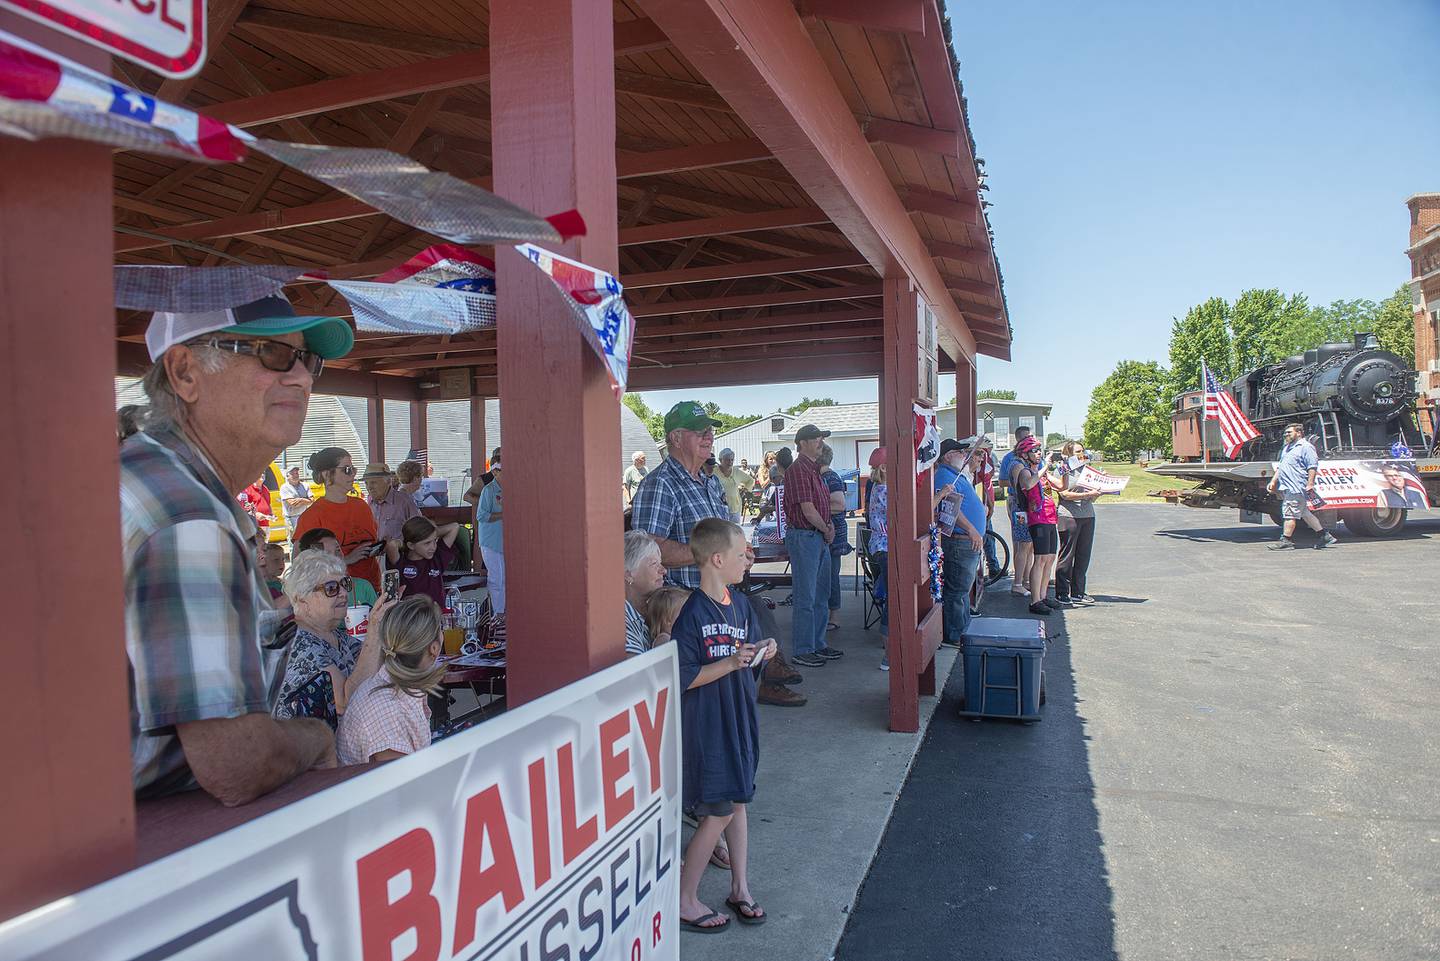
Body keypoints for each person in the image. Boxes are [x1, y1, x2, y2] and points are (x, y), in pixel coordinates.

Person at [123, 293, 353, 803]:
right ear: (185, 373)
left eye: (306, 359)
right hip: (121, 853)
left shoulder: (150, 470)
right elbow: (238, 765)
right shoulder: (189, 518)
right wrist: (318, 737)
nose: (301, 377)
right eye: (272, 354)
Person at [673, 518, 776, 931]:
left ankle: (740, 887)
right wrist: (729, 662)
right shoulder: (692, 614)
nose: (747, 558)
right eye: (741, 553)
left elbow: (748, 655)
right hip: (708, 725)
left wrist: (762, 653)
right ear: (717, 559)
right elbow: (682, 677)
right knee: (716, 813)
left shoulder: (741, 604)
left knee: (738, 801)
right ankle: (685, 898)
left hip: (740, 717)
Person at [275, 550, 385, 724]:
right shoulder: (299, 645)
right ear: (303, 599)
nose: (343, 593)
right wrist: (374, 631)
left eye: (344, 584)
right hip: (311, 748)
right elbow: (343, 702)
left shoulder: (334, 634)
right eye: (331, 588)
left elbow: (377, 664)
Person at [337, 596, 448, 765]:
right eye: (441, 628)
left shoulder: (391, 685)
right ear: (434, 648)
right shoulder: (389, 711)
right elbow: (401, 787)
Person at [784, 425, 840, 668]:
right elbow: (807, 510)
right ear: (802, 443)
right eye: (816, 438)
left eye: (821, 438)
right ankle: (803, 649)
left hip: (815, 536)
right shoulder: (798, 470)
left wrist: (827, 527)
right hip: (805, 536)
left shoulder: (814, 469)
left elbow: (818, 506)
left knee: (821, 594)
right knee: (806, 596)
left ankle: (817, 644)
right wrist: (827, 528)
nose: (820, 442)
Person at [293, 446, 385, 591]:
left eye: (353, 469)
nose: (353, 474)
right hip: (336, 593)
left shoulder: (362, 506)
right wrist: (346, 560)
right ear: (327, 474)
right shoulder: (312, 516)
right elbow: (300, 564)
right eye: (347, 469)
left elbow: (371, 541)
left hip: (372, 588)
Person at [934, 439, 986, 644]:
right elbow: (950, 508)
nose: (965, 455)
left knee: (962, 589)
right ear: (947, 455)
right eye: (959, 452)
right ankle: (955, 634)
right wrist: (972, 529)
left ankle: (961, 628)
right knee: (957, 589)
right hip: (960, 541)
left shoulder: (955, 475)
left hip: (966, 541)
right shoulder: (944, 476)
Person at [1011, 436, 1061, 613]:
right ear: (1025, 454)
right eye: (1034, 451)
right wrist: (1044, 468)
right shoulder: (1026, 471)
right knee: (1039, 559)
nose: (1038, 454)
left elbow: (1062, 486)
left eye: (1040, 450)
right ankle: (1035, 600)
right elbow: (1027, 484)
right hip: (1037, 518)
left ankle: (1043, 595)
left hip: (1050, 517)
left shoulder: (1041, 471)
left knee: (1049, 558)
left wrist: (1066, 470)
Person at [1267, 423, 1336, 550]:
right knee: (1305, 514)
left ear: (1299, 433)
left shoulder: (1306, 447)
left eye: (1289, 432)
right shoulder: (1287, 447)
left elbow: (1312, 467)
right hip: (1287, 487)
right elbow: (1281, 466)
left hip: (1296, 486)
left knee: (1289, 514)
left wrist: (1310, 484)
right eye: (1285, 433)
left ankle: (1286, 540)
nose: (1286, 434)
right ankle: (1325, 536)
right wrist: (1273, 481)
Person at [1054, 441, 1100, 606]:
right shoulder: (1062, 469)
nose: (1082, 454)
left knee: (1083, 555)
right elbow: (1064, 493)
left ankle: (1078, 591)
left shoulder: (1088, 470)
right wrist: (1085, 496)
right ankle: (1062, 591)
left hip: (1087, 515)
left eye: (1083, 451)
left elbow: (1093, 496)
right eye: (1078, 452)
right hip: (1068, 515)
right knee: (1067, 555)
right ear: (1069, 454)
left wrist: (1097, 492)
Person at [297, 527, 379, 607]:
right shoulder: (305, 595)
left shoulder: (363, 587)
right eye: (327, 554)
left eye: (338, 550)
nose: (336, 557)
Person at [817, 444, 852, 633]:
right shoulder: (827, 476)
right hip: (829, 532)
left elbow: (839, 504)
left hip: (833, 534)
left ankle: (834, 615)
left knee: (831, 576)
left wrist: (811, 511)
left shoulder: (829, 478)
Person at [391, 516, 461, 606]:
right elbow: (392, 545)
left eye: (435, 541)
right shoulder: (401, 562)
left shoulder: (437, 558)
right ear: (411, 545)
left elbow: (454, 527)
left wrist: (433, 532)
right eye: (427, 543)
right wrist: (402, 543)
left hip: (436, 616)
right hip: (412, 617)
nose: (433, 547)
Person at [998, 426, 1034, 597]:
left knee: (1030, 544)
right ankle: (1019, 581)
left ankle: (1027, 579)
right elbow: (1003, 481)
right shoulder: (1011, 460)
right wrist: (1019, 480)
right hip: (1018, 502)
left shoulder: (1033, 459)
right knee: (1021, 542)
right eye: (1028, 438)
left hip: (1032, 503)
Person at [866, 447, 891, 670]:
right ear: (884, 467)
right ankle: (889, 656)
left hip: (879, 547)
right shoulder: (885, 491)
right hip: (886, 547)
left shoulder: (876, 487)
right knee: (893, 603)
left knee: (888, 597)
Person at [624, 529, 667, 655]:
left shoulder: (654, 612)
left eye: (661, 563)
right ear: (628, 575)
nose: (664, 570)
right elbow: (637, 672)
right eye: (654, 564)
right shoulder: (620, 622)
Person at [363, 462, 420, 545]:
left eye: (373, 482)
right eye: (366, 483)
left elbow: (419, 531)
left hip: (399, 554)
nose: (369, 487)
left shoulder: (404, 501)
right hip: (374, 555)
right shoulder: (368, 502)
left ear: (388, 481)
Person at [476, 460, 505, 614]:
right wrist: (504, 514)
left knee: (505, 578)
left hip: (504, 541)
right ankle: (497, 613)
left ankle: (504, 611)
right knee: (496, 579)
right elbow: (481, 515)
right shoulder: (489, 490)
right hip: (491, 541)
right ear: (495, 472)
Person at [714, 448, 753, 524]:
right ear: (720, 460)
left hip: (735, 508)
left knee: (735, 532)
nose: (730, 462)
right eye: (727, 460)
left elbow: (750, 480)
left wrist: (745, 489)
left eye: (732, 460)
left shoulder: (736, 471)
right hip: (719, 508)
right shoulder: (714, 471)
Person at [279, 464, 313, 534]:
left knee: (305, 538)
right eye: (292, 474)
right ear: (287, 476)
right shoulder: (284, 487)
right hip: (291, 518)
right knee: (293, 540)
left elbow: (312, 500)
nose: (295, 475)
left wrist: (301, 500)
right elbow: (293, 503)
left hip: (304, 516)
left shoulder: (305, 485)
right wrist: (306, 500)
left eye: (296, 473)